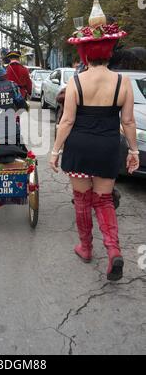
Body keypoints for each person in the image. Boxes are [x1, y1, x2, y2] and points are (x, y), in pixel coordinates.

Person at [50, 21, 139, 282]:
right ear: (109, 52)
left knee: (82, 201)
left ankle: (86, 248)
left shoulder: (76, 82)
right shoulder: (123, 82)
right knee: (104, 200)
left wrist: (55, 151)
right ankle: (113, 250)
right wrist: (133, 150)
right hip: (108, 147)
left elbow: (66, 121)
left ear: (85, 54)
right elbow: (129, 122)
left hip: (80, 147)